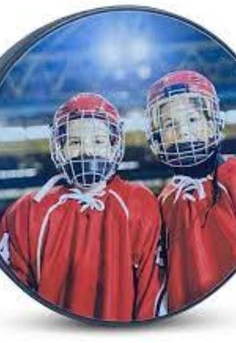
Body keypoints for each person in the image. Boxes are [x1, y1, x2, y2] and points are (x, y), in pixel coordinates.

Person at [0, 93, 161, 322]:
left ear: (114, 146)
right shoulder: (26, 211)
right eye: (75, 142)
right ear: (61, 148)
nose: (87, 151)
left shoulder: (139, 203)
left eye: (98, 140)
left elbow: (150, 292)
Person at [146, 70, 236, 316]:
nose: (183, 131)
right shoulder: (164, 200)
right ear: (158, 137)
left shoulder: (233, 176)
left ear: (212, 123)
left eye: (193, 120)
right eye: (170, 124)